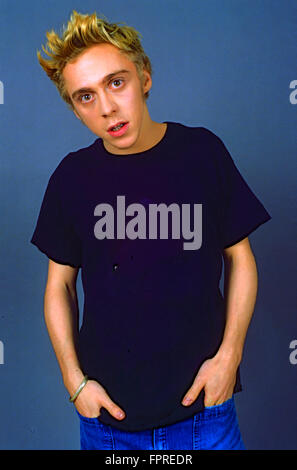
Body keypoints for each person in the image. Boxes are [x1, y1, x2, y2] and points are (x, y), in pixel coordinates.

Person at [30, 10, 272, 450]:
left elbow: (241, 257)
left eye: (115, 82)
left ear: (144, 76)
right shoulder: (71, 178)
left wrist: (230, 357)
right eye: (85, 96)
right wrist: (75, 382)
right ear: (74, 107)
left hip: (205, 416)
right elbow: (58, 287)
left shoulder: (203, 153)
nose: (106, 108)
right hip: (107, 423)